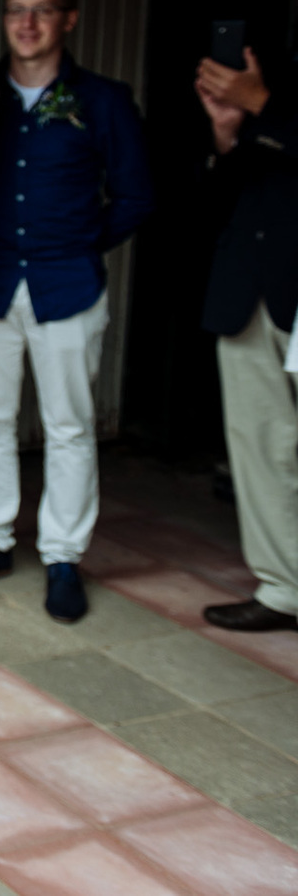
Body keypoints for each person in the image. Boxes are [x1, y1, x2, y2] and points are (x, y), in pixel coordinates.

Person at [0, 0, 152, 624]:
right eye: (14, 11)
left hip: (69, 285)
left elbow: (138, 196)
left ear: (68, 20)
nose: (26, 24)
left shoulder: (105, 100)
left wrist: (82, 244)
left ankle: (63, 555)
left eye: (42, 10)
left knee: (69, 425)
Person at [194, 41, 298, 633]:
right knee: (261, 442)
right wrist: (230, 131)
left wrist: (264, 104)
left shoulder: (269, 89)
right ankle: (283, 586)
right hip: (252, 283)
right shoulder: (280, 55)